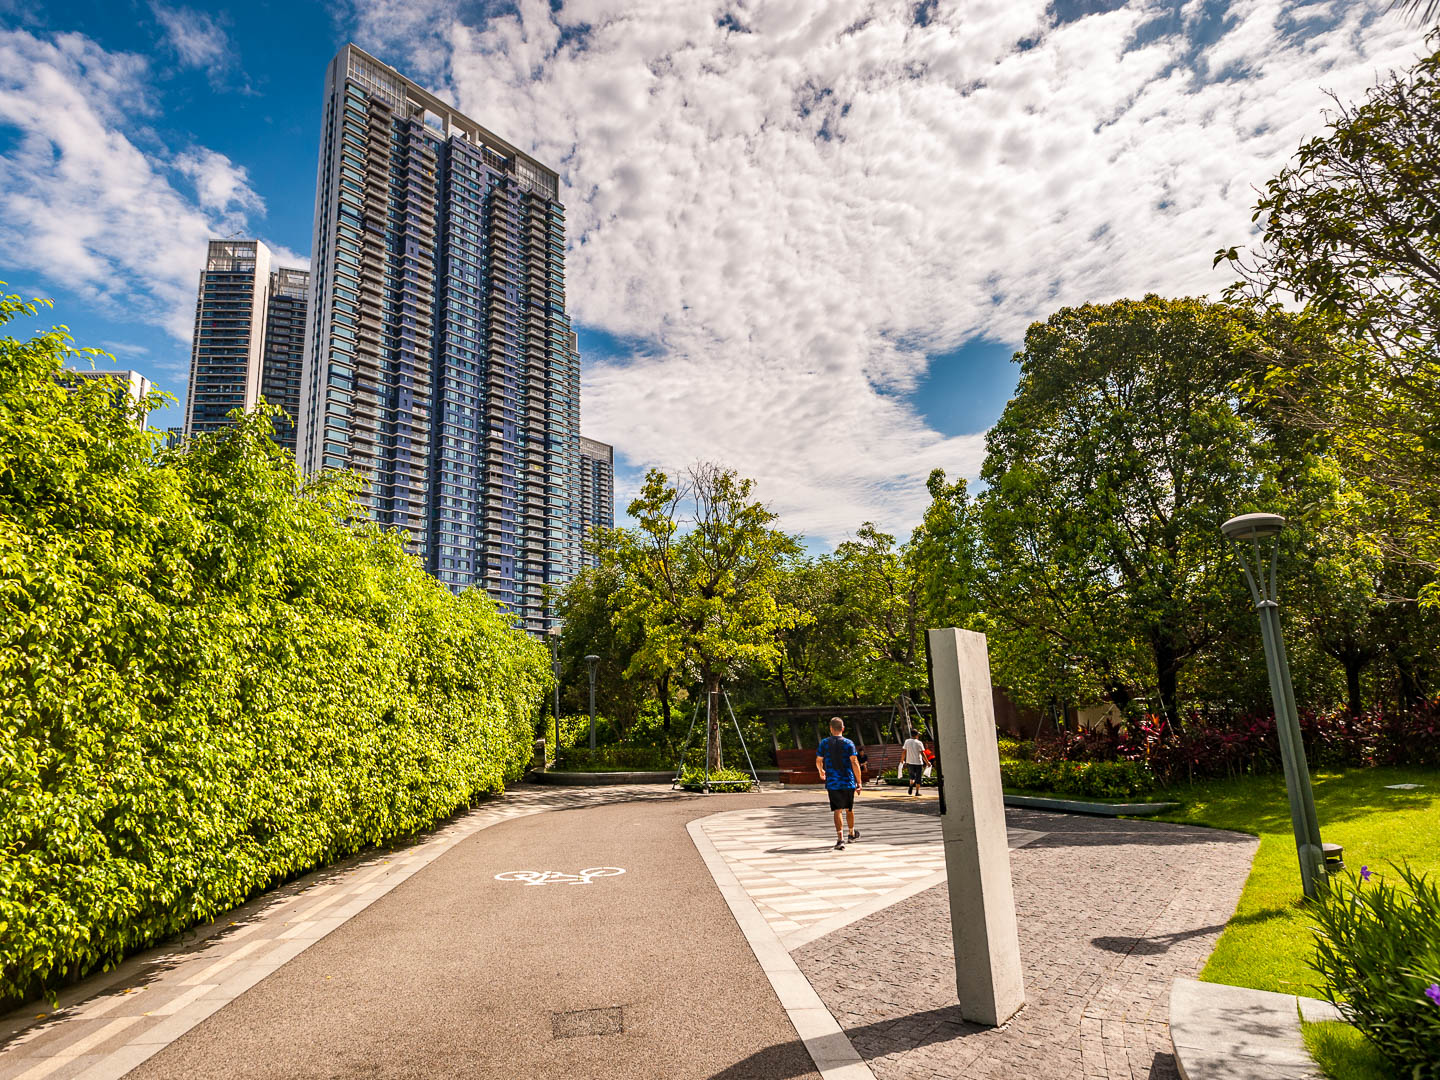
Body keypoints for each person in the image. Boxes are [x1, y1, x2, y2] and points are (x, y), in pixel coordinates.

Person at [815, 717, 862, 850]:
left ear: (830, 728)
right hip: (848, 781)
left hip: (833, 782)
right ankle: (851, 834)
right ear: (843, 728)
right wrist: (859, 781)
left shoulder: (824, 743)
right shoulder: (849, 743)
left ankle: (840, 839)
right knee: (849, 809)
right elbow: (854, 762)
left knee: (837, 810)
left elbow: (819, 760)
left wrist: (821, 771)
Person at [901, 729, 927, 796]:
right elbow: (922, 754)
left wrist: (902, 760)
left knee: (911, 776)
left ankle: (911, 785)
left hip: (909, 762)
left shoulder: (907, 741)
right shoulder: (919, 742)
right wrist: (927, 762)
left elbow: (904, 751)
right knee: (918, 778)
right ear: (917, 735)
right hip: (918, 762)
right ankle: (917, 792)